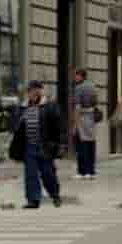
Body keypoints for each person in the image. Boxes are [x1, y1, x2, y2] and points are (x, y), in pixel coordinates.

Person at [13, 80, 62, 209]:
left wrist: (57, 144)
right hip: (29, 146)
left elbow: (57, 127)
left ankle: (55, 195)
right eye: (30, 91)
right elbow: (16, 126)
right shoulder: (23, 107)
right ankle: (33, 200)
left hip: (45, 146)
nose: (32, 93)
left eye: (35, 90)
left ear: (40, 91)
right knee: (31, 174)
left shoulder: (49, 106)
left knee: (48, 173)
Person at [72, 68, 98, 179]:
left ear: (81, 76)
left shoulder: (78, 88)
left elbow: (77, 107)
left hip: (82, 117)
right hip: (91, 117)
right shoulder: (93, 86)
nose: (75, 78)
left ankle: (82, 171)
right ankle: (91, 171)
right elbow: (95, 102)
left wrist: (75, 124)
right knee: (91, 143)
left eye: (76, 76)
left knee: (81, 145)